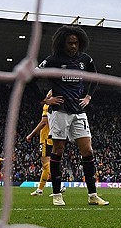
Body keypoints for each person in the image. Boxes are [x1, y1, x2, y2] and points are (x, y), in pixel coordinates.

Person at [38, 24, 109, 206]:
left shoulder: (85, 60)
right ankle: (56, 194)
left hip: (79, 111)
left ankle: (92, 195)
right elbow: (31, 76)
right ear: (63, 43)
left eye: (76, 43)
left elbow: (95, 77)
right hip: (59, 111)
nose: (73, 46)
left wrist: (88, 97)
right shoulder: (53, 60)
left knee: (88, 150)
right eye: (70, 43)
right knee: (58, 150)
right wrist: (45, 100)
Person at [24, 90, 55, 196]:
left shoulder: (47, 106)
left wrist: (31, 135)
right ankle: (41, 189)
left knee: (46, 165)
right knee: (50, 164)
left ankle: (55, 186)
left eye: (48, 93)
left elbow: (44, 122)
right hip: (54, 137)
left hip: (46, 138)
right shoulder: (58, 105)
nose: (46, 95)